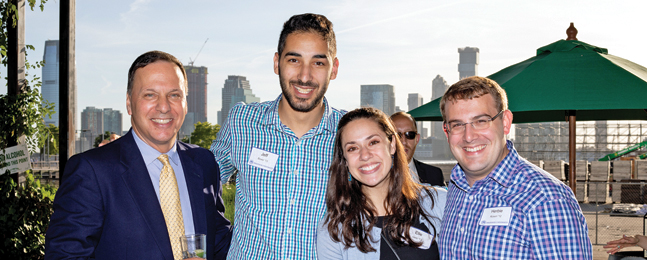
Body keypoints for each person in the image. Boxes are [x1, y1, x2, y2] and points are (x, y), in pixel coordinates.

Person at [46, 51, 232, 260]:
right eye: (150, 95)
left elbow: (220, 242)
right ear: (128, 103)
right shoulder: (92, 171)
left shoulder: (204, 163)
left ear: (185, 103)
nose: (163, 107)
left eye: (174, 95)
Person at [210, 13, 343, 259]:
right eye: (294, 60)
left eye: (318, 62)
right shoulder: (242, 122)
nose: (304, 76)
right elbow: (198, 186)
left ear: (333, 69)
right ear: (276, 63)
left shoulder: (349, 135)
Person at [437, 76, 592, 259]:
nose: (469, 136)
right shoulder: (456, 190)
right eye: (457, 125)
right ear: (447, 131)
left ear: (505, 122)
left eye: (481, 121)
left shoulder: (547, 199)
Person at [317, 107, 446, 260]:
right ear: (345, 160)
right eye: (352, 148)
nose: (365, 155)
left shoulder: (440, 203)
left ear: (392, 145)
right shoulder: (334, 229)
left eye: (373, 142)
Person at [390, 112, 445, 186]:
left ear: (417, 139)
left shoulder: (434, 174)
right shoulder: (376, 176)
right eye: (397, 135)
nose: (403, 142)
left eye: (410, 135)